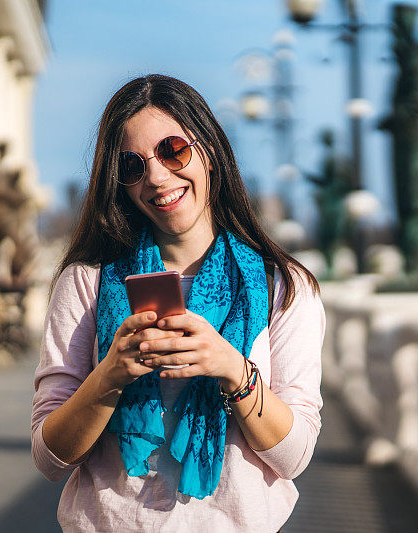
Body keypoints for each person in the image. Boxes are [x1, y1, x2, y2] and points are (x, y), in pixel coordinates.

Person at [31, 74, 325, 532]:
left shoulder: (284, 287)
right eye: (132, 166)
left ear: (208, 152)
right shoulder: (87, 282)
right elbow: (50, 459)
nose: (156, 176)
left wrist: (232, 368)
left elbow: (295, 456)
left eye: (173, 150)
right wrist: (110, 374)